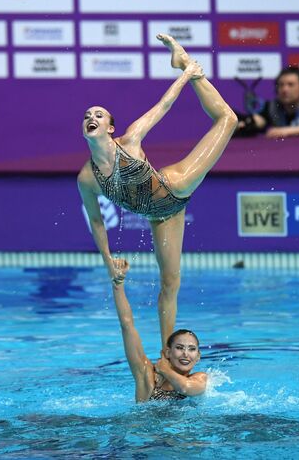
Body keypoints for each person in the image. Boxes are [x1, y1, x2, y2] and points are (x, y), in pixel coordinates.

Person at [78, 34, 237, 347]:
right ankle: (168, 355)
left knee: (228, 119)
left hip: (175, 184)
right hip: (163, 215)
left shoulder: (131, 140)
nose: (90, 118)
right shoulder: (87, 178)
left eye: (98, 115)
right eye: (86, 116)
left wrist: (187, 75)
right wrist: (108, 260)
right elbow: (96, 222)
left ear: (110, 127)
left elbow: (163, 106)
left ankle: (187, 63)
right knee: (169, 283)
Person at [110, 259, 207, 402]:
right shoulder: (147, 375)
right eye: (179, 348)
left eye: (192, 349)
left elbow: (186, 388)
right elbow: (126, 325)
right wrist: (118, 285)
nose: (186, 354)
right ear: (168, 352)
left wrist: (165, 370)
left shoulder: (199, 378)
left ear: (198, 356)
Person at [236, 66, 299, 138]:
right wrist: (245, 123)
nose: (284, 89)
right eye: (281, 85)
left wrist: (284, 131)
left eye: (290, 85)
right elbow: (258, 120)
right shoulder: (272, 106)